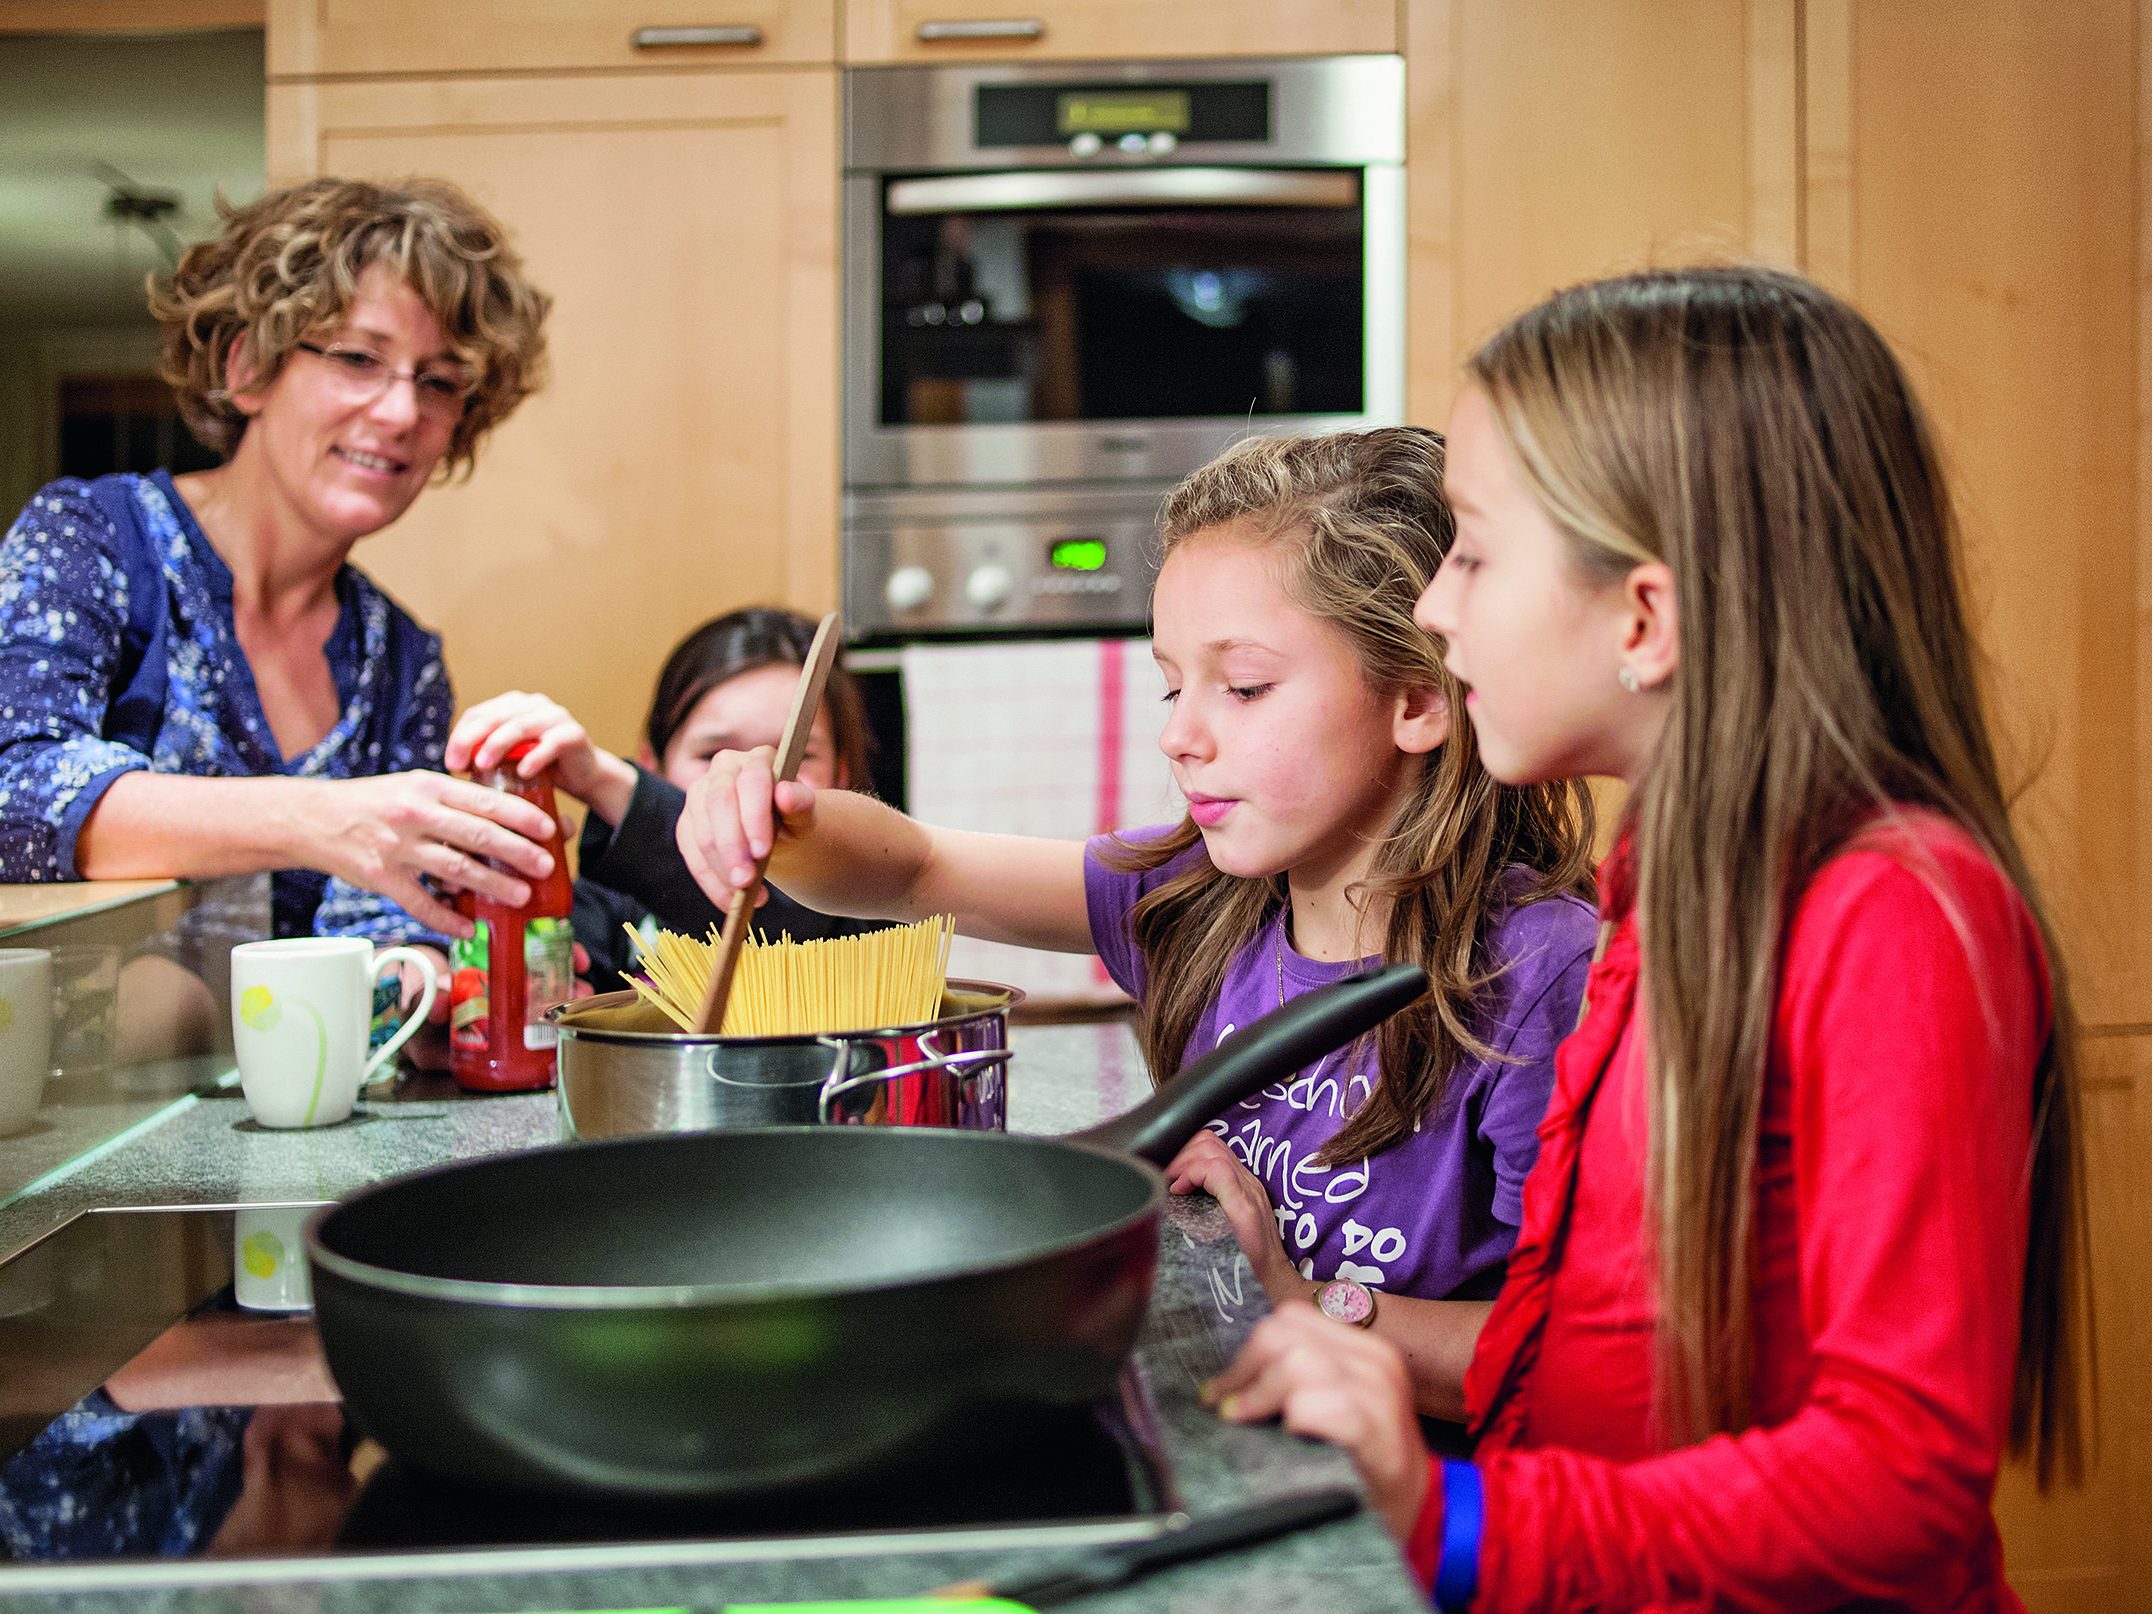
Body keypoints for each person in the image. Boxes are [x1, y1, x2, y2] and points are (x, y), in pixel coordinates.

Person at [1205, 267, 2092, 1612]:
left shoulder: (1896, 912)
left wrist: (1455, 1516)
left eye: (1476, 553)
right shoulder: (1664, 892)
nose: (1437, 611)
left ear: (1645, 619)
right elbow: (1589, 1342)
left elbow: (1902, 1479)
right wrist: (1329, 1317)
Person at [677, 428, 1600, 1419]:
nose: (1178, 735)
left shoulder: (1542, 973)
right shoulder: (1190, 895)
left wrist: (1299, 1301)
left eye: (1242, 688)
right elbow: (916, 868)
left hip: (1420, 1499)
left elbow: (1562, 1365)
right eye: (1171, 684)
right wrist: (775, 820)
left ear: (1417, 700)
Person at [0, 177, 558, 954]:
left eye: (439, 382)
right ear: (249, 367)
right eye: (360, 358)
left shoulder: (400, 663)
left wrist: (434, 988)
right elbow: (15, 793)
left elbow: (386, 928)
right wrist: (320, 819)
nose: (402, 413)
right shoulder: (94, 539)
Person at [446, 606, 882, 993]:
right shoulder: (607, 904)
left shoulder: (867, 900)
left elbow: (789, 920)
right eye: (713, 755)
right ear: (651, 762)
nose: (749, 783)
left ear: (841, 775)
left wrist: (607, 784)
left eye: (795, 757)